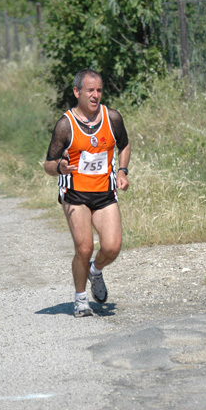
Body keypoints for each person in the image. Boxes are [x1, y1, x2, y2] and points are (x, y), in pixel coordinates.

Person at [44, 69, 131, 317]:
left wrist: (122, 171)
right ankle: (81, 300)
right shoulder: (65, 125)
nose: (95, 95)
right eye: (90, 90)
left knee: (112, 247)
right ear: (77, 92)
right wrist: (59, 167)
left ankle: (96, 271)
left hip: (104, 192)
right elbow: (48, 165)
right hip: (75, 195)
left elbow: (124, 144)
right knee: (83, 248)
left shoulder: (112, 118)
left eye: (99, 90)